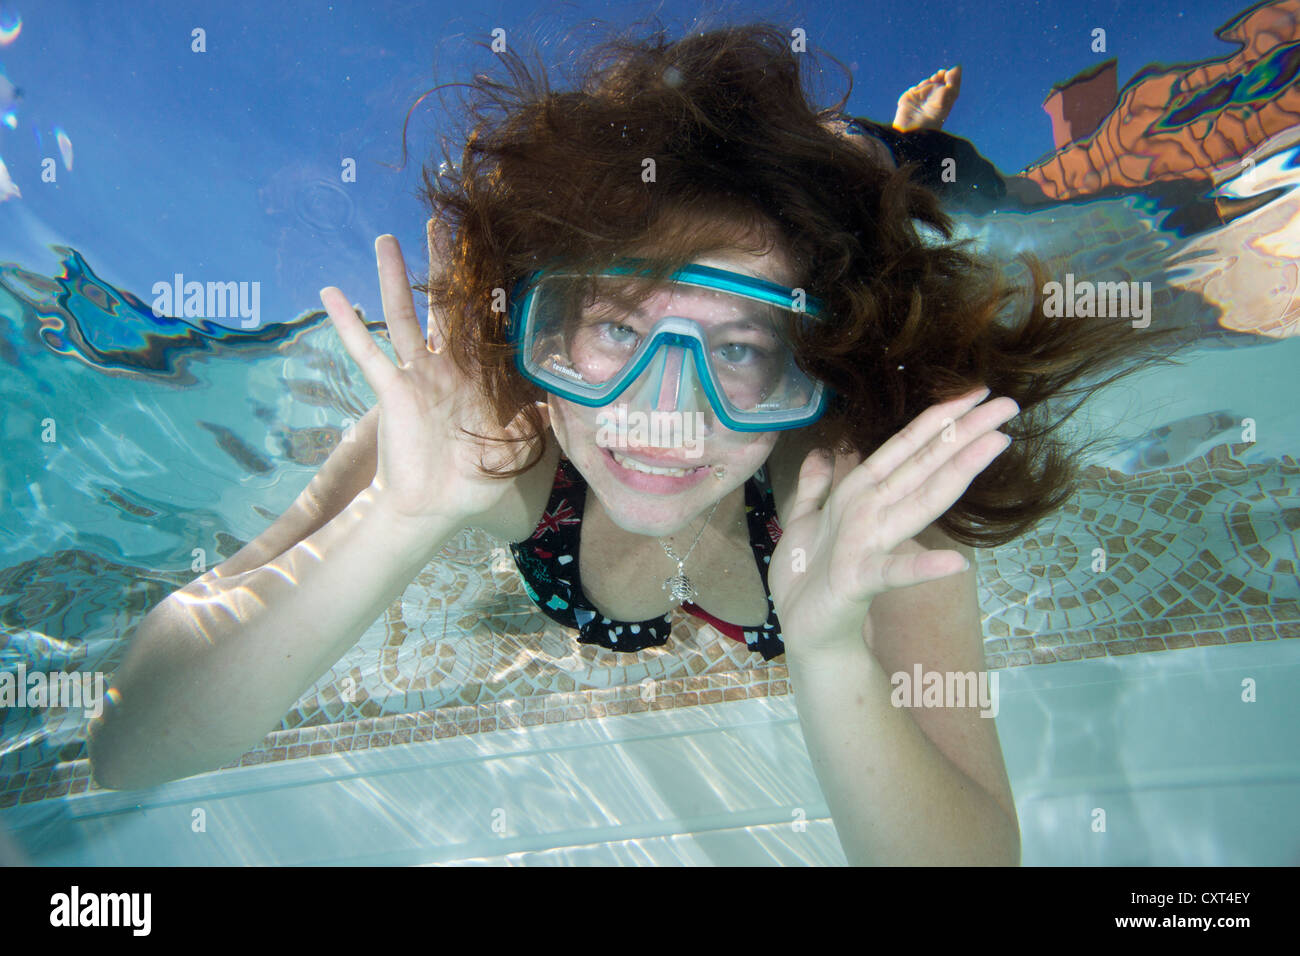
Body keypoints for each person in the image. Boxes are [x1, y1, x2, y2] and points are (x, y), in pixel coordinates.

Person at [87, 25, 1188, 865]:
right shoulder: (491, 427)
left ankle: (898, 140)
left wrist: (833, 648)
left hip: (877, 200)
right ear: (544, 330)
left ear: (805, 364)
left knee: (932, 182)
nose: (669, 409)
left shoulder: (850, 479)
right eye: (618, 326)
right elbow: (126, 746)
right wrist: (397, 518)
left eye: (744, 344)